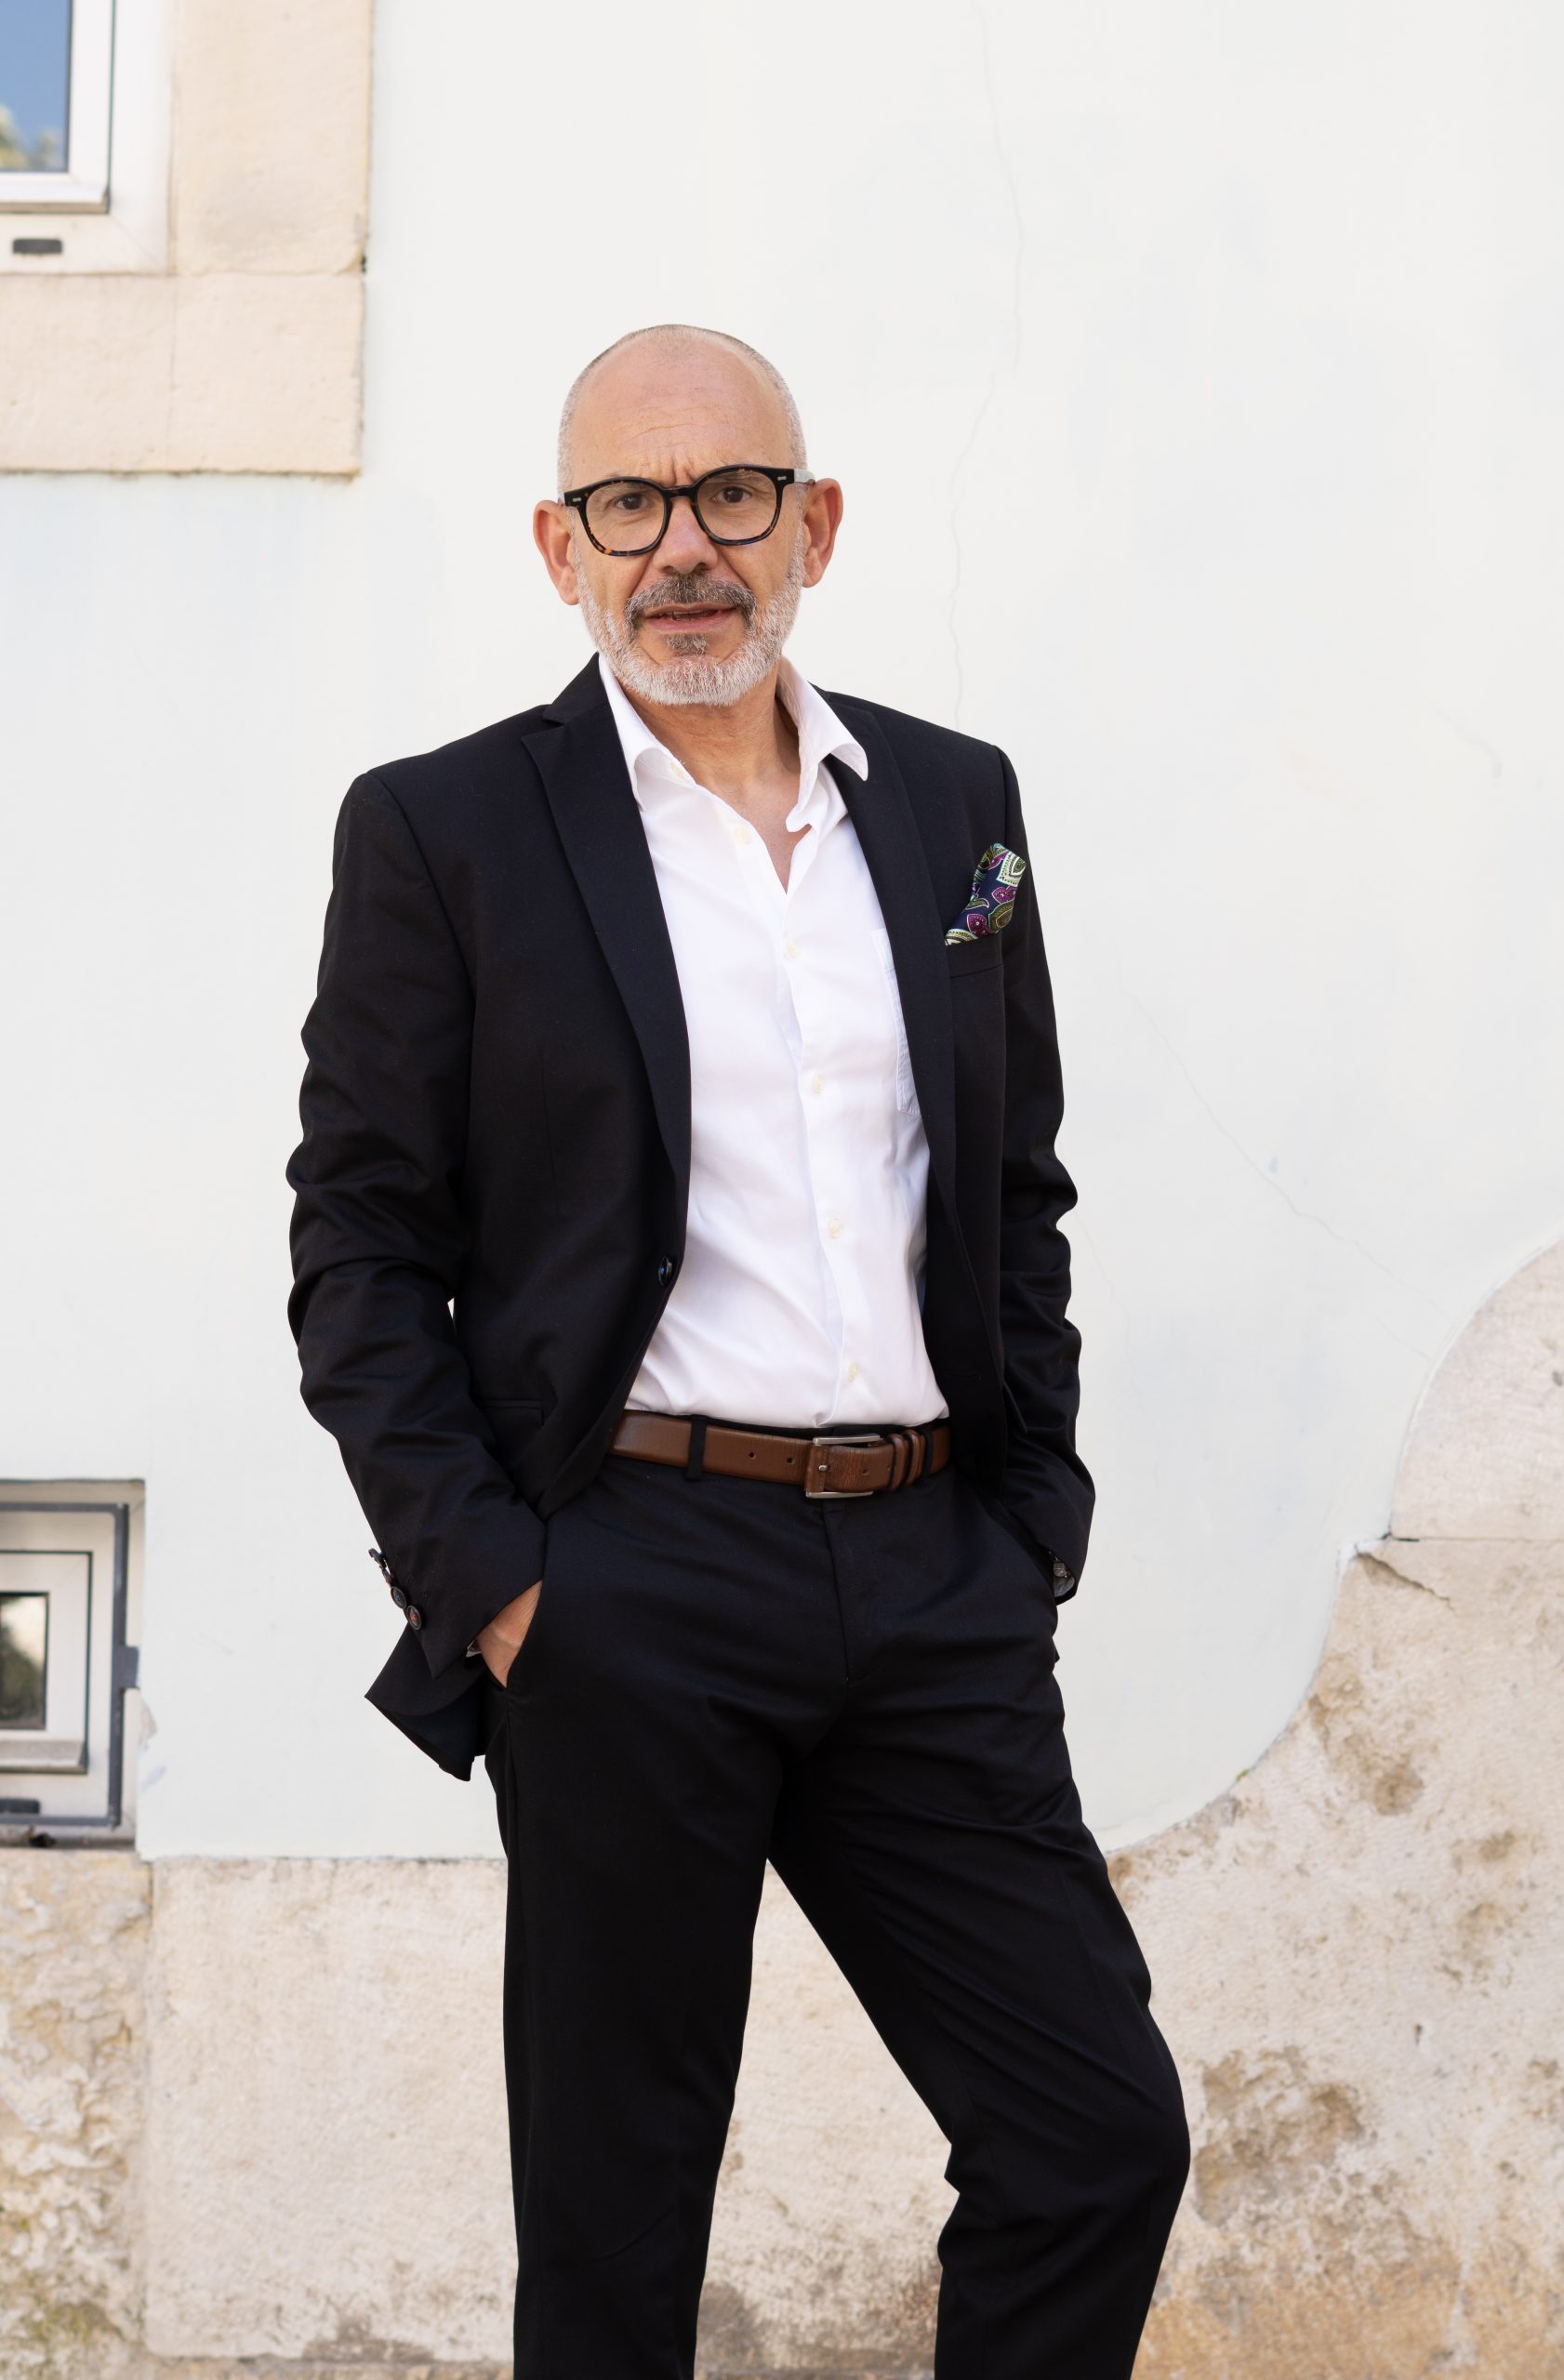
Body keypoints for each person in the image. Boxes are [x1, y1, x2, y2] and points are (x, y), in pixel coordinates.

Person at [286, 322, 1189, 2378]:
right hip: (626, 1583)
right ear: (560, 547)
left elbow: (1008, 1184)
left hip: (933, 1577)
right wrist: (495, 1579)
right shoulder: (446, 830)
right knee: (618, 2233)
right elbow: (359, 1242)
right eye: (627, 502)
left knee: (1092, 2137)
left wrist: (1029, 1522)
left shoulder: (954, 806)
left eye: (730, 495)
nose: (680, 546)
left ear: (815, 525)